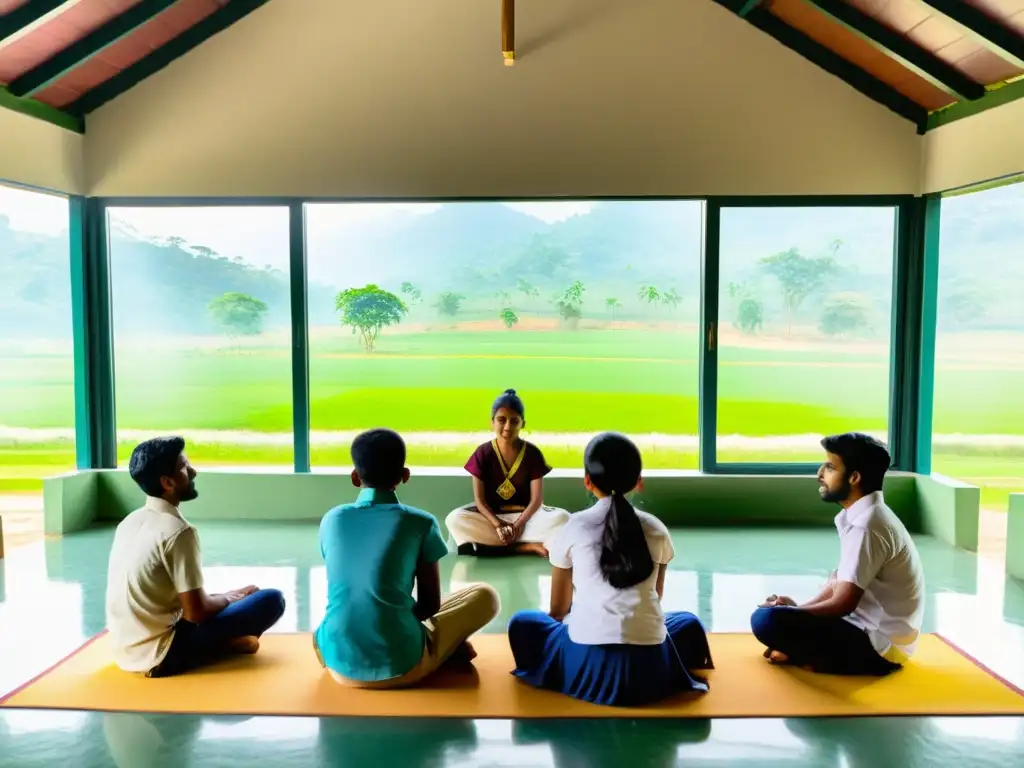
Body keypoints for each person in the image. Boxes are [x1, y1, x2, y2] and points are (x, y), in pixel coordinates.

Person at [507, 432, 713, 707]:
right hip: (651, 665)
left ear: (587, 481)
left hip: (586, 660)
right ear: (638, 482)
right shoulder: (656, 529)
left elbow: (558, 611)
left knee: (523, 623)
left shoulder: (574, 527)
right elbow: (655, 599)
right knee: (686, 623)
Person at [314, 428, 500, 688]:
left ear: (355, 477)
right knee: (485, 595)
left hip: (335, 659)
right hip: (402, 665)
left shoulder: (332, 519)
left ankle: (441, 645)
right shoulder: (420, 522)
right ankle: (444, 649)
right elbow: (430, 606)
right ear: (404, 476)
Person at [105, 437, 285, 677]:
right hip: (162, 654)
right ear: (167, 482)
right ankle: (220, 648)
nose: (193, 471)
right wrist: (231, 597)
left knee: (229, 598)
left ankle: (227, 643)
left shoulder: (130, 522)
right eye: (183, 467)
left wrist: (223, 597)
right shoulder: (179, 531)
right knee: (272, 600)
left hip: (124, 653)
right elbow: (195, 613)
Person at [751, 432, 925, 675]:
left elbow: (842, 603)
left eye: (830, 467)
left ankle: (807, 655)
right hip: (863, 629)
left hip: (879, 649)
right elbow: (838, 585)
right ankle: (805, 653)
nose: (820, 474)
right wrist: (794, 611)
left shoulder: (867, 526)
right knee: (775, 616)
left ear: (854, 477)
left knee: (764, 620)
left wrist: (787, 615)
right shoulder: (864, 516)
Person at [445, 389, 570, 557]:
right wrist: (498, 525)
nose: (507, 427)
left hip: (526, 518)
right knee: (454, 519)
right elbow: (480, 502)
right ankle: (525, 547)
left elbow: (536, 501)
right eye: (501, 420)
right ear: (492, 422)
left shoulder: (532, 453)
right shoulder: (483, 453)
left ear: (523, 423)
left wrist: (518, 525)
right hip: (492, 518)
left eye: (514, 421)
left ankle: (492, 548)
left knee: (563, 518)